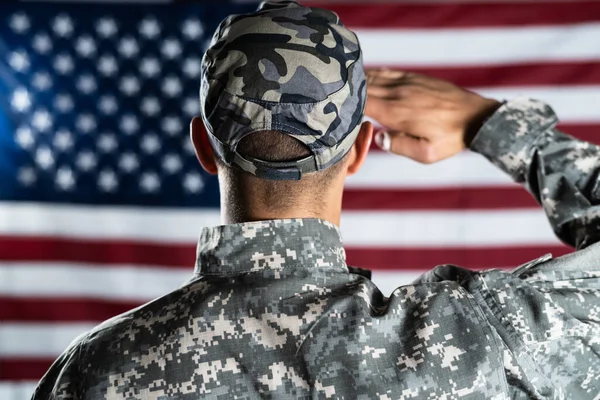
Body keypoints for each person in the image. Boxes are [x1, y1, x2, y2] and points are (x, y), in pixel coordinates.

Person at [33, 1, 600, 399]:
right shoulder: (479, 342)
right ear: (359, 151)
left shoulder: (96, 372)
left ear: (204, 146)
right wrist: (492, 126)